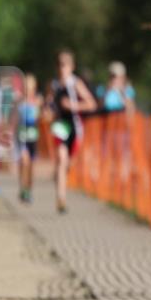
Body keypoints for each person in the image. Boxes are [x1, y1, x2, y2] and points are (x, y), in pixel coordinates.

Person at [47, 50, 98, 214]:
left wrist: (73, 106)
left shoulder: (76, 84)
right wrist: (48, 111)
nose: (62, 69)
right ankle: (61, 198)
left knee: (68, 163)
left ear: (72, 67)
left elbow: (92, 104)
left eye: (65, 65)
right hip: (60, 125)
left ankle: (60, 178)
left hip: (75, 126)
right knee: (61, 159)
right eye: (60, 65)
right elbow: (48, 104)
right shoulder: (53, 84)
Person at [14, 74, 42, 203]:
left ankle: (29, 190)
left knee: (31, 165)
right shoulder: (19, 101)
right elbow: (14, 119)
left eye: (31, 87)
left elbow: (43, 117)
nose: (28, 90)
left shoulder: (38, 101)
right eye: (26, 87)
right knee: (24, 161)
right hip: (22, 135)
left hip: (33, 136)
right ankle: (22, 188)